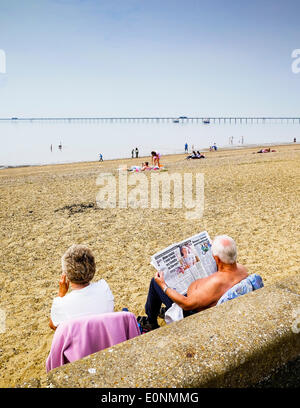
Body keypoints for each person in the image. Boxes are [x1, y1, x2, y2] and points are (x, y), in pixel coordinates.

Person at [138, 235, 248, 331]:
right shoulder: (243, 271)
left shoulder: (215, 283)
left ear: (217, 259)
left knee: (155, 283)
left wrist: (163, 286)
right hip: (210, 301)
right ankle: (160, 312)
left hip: (190, 313)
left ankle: (151, 321)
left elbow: (186, 304)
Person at [49, 244, 114, 330]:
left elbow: (53, 325)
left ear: (66, 275)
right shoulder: (104, 288)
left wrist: (61, 293)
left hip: (82, 343)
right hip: (106, 339)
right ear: (93, 268)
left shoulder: (62, 304)